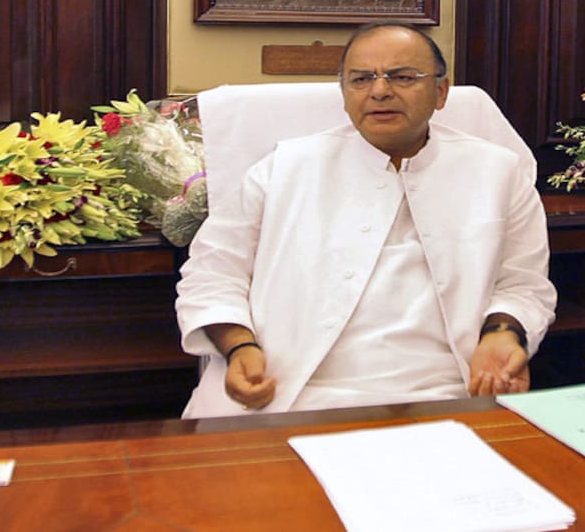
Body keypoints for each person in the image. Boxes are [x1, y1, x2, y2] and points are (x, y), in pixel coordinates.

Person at [175, 22, 556, 418]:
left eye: (403, 77)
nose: (379, 91)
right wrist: (240, 346)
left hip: (445, 391)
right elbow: (213, 275)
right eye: (361, 79)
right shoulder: (282, 169)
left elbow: (523, 284)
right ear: (344, 94)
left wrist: (503, 333)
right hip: (289, 391)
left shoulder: (499, 172)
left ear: (441, 92)